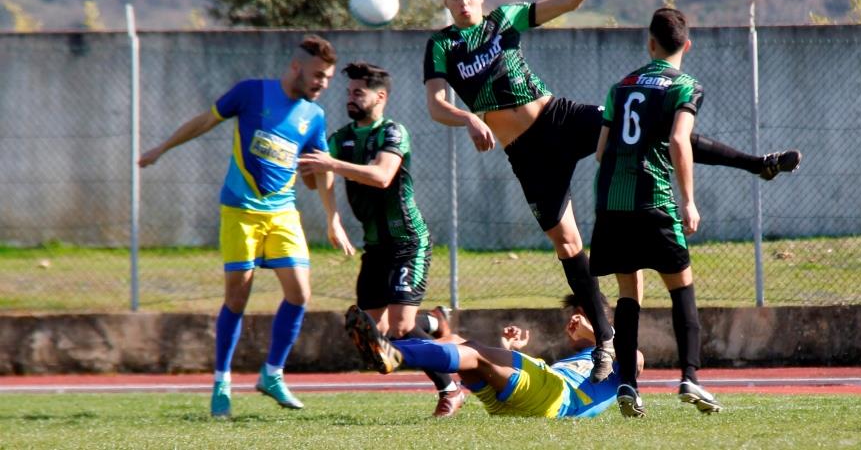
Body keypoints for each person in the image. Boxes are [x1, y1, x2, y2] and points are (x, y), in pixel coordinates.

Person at [422, 0, 801, 382]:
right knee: (567, 243)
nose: (462, 1)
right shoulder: (442, 46)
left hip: (557, 117)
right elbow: (437, 104)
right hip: (526, 152)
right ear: (445, 1)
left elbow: (566, 0)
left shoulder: (504, 19)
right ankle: (605, 341)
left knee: (654, 131)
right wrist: (468, 117)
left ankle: (757, 163)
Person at [138, 35, 354, 418]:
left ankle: (272, 374)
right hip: (240, 212)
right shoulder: (251, 93)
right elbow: (205, 120)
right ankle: (221, 381)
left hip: (283, 213)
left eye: (329, 78)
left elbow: (321, 171)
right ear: (295, 68)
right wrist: (161, 148)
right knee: (237, 299)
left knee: (300, 293)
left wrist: (332, 220)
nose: (323, 83)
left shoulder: (314, 117)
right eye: (318, 75)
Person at [297, 62, 465, 418]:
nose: (350, 98)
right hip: (375, 247)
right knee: (376, 336)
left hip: (407, 241)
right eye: (348, 92)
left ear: (380, 96)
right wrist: (329, 211)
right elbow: (318, 179)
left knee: (402, 327)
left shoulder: (393, 132)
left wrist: (330, 164)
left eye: (358, 92)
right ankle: (434, 323)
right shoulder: (340, 137)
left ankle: (450, 389)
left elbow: (382, 175)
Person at [590, 8, 721, 418]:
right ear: (687, 44)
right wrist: (689, 201)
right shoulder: (685, 86)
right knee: (682, 287)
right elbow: (681, 141)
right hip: (655, 200)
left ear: (649, 43)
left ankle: (627, 382)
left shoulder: (621, 86)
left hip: (612, 202)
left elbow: (599, 152)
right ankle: (690, 378)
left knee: (629, 293)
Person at [344, 295, 632, 419]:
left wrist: (595, 334)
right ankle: (396, 345)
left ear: (605, 323)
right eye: (574, 317)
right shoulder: (576, 358)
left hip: (558, 399)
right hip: (516, 406)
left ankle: (396, 351)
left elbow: (637, 360)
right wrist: (510, 350)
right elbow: (528, 386)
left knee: (474, 351)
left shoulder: (621, 359)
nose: (575, 322)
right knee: (463, 346)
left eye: (582, 316)